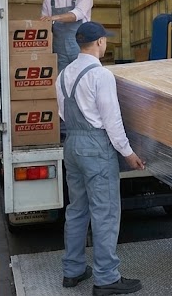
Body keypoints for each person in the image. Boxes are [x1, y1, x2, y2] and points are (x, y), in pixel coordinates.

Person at [57, 22, 144, 296]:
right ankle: (106, 278)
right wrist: (128, 153)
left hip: (72, 143)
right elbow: (112, 120)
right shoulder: (101, 75)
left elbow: (63, 113)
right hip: (95, 145)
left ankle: (73, 270)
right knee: (105, 213)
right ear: (99, 43)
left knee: (77, 209)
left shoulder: (63, 75)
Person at [41, 0, 94, 72]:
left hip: (81, 48)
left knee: (82, 80)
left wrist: (54, 18)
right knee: (62, 82)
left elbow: (77, 14)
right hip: (59, 51)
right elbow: (44, 26)